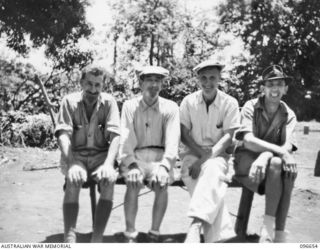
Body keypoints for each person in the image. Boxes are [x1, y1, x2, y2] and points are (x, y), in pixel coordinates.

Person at [54, 66, 120, 243]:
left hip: (101, 156)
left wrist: (108, 164)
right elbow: (63, 135)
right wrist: (72, 163)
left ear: (102, 85)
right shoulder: (69, 101)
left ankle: (97, 237)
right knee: (74, 179)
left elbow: (115, 136)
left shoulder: (109, 102)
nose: (93, 89)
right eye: (89, 84)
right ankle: (70, 236)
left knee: (109, 180)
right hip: (76, 155)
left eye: (98, 85)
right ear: (82, 83)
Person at [234, 65, 298, 243]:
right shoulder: (250, 106)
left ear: (285, 88)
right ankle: (276, 232)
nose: (275, 89)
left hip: (270, 165)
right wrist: (270, 154)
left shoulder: (288, 114)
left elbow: (288, 146)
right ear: (262, 88)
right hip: (246, 161)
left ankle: (273, 231)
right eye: (270, 85)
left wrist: (266, 156)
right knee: (278, 163)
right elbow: (247, 140)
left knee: (284, 167)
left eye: (279, 84)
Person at [180, 60, 240, 242]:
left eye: (212, 78)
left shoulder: (229, 102)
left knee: (212, 170)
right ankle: (218, 239)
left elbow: (229, 137)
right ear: (197, 79)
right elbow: (183, 134)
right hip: (192, 155)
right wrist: (199, 157)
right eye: (203, 78)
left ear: (219, 78)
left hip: (219, 157)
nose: (208, 83)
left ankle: (195, 225)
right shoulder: (188, 101)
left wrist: (205, 159)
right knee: (208, 185)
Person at [118, 66, 180, 243]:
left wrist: (165, 166)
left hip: (159, 157)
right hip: (135, 156)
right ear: (141, 83)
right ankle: (130, 233)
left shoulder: (171, 107)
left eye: (158, 80)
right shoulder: (130, 106)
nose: (154, 84)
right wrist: (131, 165)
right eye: (149, 80)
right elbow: (125, 138)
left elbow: (172, 141)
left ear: (162, 83)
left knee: (162, 183)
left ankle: (154, 232)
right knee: (133, 181)